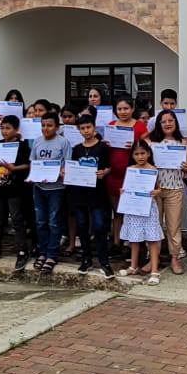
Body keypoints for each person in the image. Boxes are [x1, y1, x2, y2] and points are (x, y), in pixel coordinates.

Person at [69, 114, 112, 276]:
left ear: (94, 127)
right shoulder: (76, 149)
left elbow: (109, 167)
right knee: (82, 226)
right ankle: (86, 259)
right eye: (82, 128)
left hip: (97, 193)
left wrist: (104, 172)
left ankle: (104, 261)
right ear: (79, 130)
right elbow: (73, 168)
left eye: (88, 127)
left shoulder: (103, 147)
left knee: (99, 227)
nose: (86, 131)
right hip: (79, 194)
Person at [0, 115, 31, 270]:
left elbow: (28, 165)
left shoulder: (22, 146)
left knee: (17, 219)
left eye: (8, 128)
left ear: (16, 129)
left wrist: (13, 168)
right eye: (2, 128)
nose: (5, 131)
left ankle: (22, 251)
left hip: (15, 189)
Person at [115, 139, 164, 283]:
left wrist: (156, 192)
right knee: (134, 238)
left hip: (148, 208)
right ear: (132, 155)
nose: (140, 156)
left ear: (148, 153)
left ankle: (154, 271)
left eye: (143, 153)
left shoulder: (153, 169)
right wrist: (123, 191)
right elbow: (127, 187)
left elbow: (159, 188)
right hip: (133, 208)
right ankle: (133, 266)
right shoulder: (131, 169)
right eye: (136, 154)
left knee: (152, 239)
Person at [148, 109, 187, 274]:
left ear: (175, 122)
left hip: (175, 188)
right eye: (163, 121)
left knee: (174, 226)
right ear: (158, 124)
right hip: (155, 189)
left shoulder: (183, 142)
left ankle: (175, 258)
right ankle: (153, 259)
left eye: (170, 120)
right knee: (154, 225)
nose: (167, 124)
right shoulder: (150, 142)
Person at [29, 112, 69, 272]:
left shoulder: (63, 142)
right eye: (43, 125)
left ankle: (52, 254)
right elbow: (33, 162)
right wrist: (34, 175)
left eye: (50, 125)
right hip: (39, 187)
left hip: (56, 188)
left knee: (54, 221)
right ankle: (42, 252)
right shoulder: (37, 141)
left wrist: (60, 172)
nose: (46, 128)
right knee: (40, 221)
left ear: (57, 127)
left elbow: (67, 165)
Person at [104, 96, 148, 241]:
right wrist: (105, 144)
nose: (123, 112)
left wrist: (135, 145)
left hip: (132, 175)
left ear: (132, 109)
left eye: (126, 108)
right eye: (119, 109)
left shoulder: (140, 126)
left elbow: (146, 149)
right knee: (117, 211)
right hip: (113, 174)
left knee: (131, 211)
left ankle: (131, 242)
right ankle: (116, 242)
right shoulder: (111, 125)